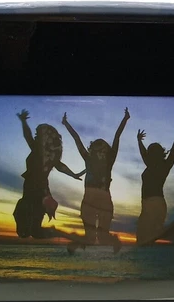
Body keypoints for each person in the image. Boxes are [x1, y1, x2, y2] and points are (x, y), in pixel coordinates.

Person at [62, 108, 130, 252]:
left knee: (103, 238)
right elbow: (77, 139)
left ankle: (111, 240)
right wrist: (66, 124)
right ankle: (76, 242)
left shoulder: (110, 160)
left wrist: (125, 119)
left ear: (107, 151)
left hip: (104, 199)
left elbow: (117, 136)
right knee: (91, 239)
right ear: (92, 151)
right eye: (98, 149)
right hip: (90, 200)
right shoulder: (88, 158)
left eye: (103, 149)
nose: (101, 152)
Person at [13, 109, 85, 239]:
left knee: (31, 231)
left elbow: (60, 166)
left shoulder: (42, 152)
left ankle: (61, 233)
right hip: (33, 188)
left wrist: (73, 175)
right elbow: (60, 166)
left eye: (38, 134)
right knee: (26, 231)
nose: (36, 136)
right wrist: (23, 122)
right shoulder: (39, 151)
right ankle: (59, 233)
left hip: (38, 189)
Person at [136, 112, 174, 245]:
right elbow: (143, 152)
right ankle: (171, 230)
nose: (148, 154)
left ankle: (173, 229)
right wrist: (139, 141)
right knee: (143, 238)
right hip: (148, 204)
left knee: (144, 239)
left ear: (156, 153)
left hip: (154, 203)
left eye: (152, 151)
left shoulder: (165, 165)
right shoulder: (151, 164)